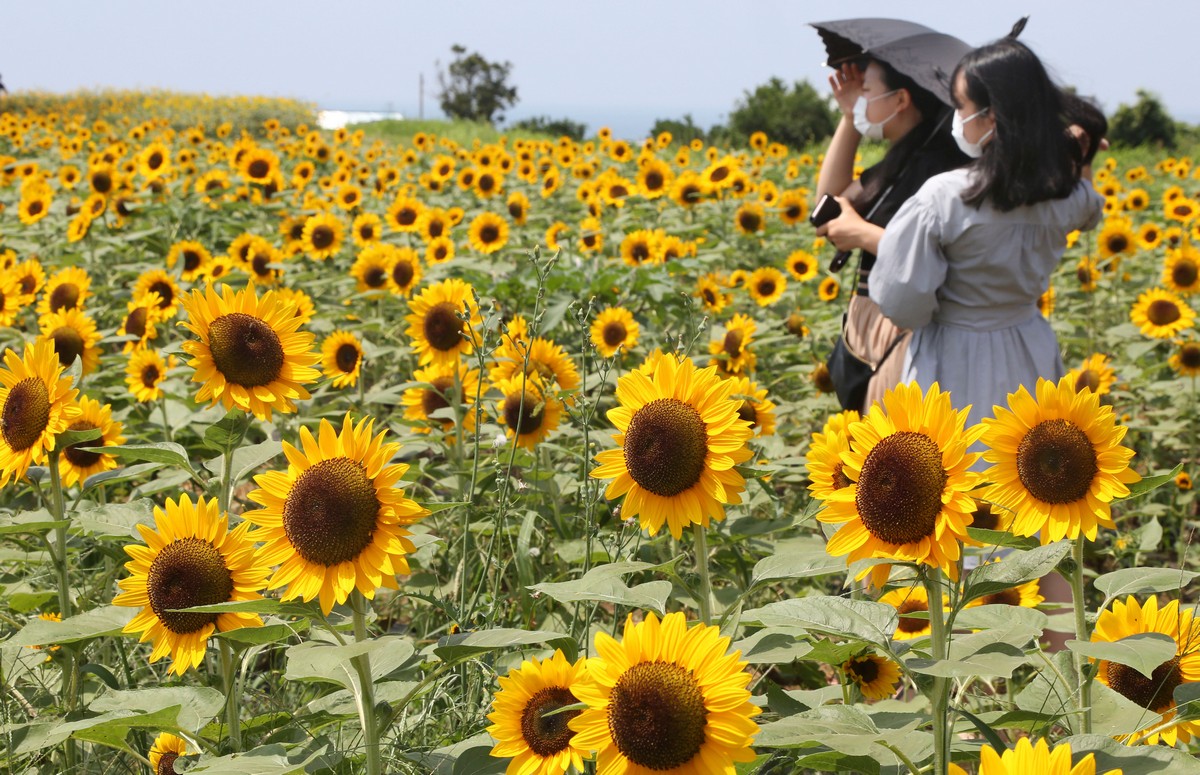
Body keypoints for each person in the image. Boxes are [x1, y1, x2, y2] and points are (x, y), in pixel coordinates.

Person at [869, 35, 1106, 431]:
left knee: (955, 473)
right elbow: (1091, 209)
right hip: (1029, 345)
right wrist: (1079, 157)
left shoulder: (944, 198)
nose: (957, 118)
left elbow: (901, 301)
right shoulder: (1062, 193)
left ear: (991, 117)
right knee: (1028, 470)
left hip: (953, 353)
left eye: (961, 106)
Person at [815, 56, 968, 412]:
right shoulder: (899, 164)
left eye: (867, 91)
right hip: (871, 330)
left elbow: (943, 262)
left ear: (901, 100)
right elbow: (828, 203)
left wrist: (862, 234)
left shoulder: (940, 175)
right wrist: (851, 118)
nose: (860, 97)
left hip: (900, 331)